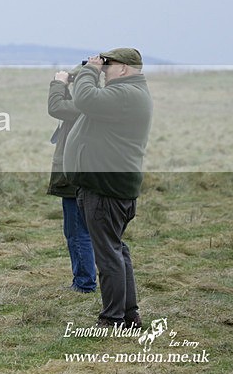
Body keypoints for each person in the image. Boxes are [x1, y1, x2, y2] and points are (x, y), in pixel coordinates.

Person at [63, 48, 153, 329]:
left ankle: (112, 318)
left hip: (105, 189)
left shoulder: (125, 94)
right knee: (116, 249)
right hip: (109, 186)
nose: (103, 70)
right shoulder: (128, 93)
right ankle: (129, 314)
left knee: (109, 255)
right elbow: (87, 97)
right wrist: (86, 71)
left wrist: (89, 70)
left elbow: (85, 98)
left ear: (123, 68)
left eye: (108, 66)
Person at [47, 64, 97, 294]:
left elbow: (56, 107)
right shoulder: (99, 100)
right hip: (87, 172)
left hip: (75, 175)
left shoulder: (89, 104)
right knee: (83, 230)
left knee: (77, 231)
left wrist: (59, 83)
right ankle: (86, 280)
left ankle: (84, 283)